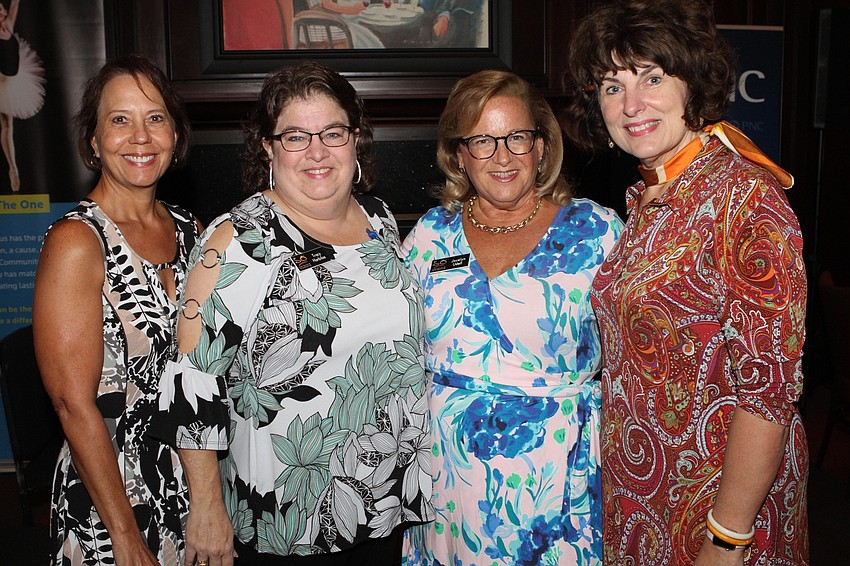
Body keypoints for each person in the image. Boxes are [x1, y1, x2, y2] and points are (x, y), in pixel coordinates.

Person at [151, 61, 433, 565]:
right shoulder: (237, 240)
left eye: (332, 132)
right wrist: (207, 506)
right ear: (268, 147)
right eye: (296, 136)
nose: (318, 152)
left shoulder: (381, 221)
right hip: (287, 521)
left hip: (384, 505)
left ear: (356, 139)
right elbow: (191, 381)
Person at [561, 1, 809, 564]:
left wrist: (728, 538)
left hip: (722, 509)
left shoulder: (744, 198)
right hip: (642, 498)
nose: (631, 105)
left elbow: (768, 396)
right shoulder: (645, 197)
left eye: (651, 77)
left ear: (692, 81)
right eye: (610, 86)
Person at [402, 69, 623, 565]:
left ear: (542, 146)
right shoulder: (428, 236)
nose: (501, 156)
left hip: (560, 485)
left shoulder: (598, 233)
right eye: (482, 140)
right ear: (459, 153)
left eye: (516, 138)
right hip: (448, 482)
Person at [32, 54, 198, 565]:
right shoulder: (77, 242)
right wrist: (124, 536)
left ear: (175, 134)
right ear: (94, 141)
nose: (140, 137)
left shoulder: (193, 230)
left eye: (155, 118)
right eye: (120, 120)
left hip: (189, 485)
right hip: (110, 498)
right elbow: (71, 404)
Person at [0, 0, 45, 192]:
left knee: (8, 126)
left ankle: (13, 167)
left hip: (15, 80)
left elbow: (15, 4)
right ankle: (12, 169)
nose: (2, 9)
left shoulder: (9, 24)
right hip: (1, 84)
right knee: (6, 125)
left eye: (1, 7)